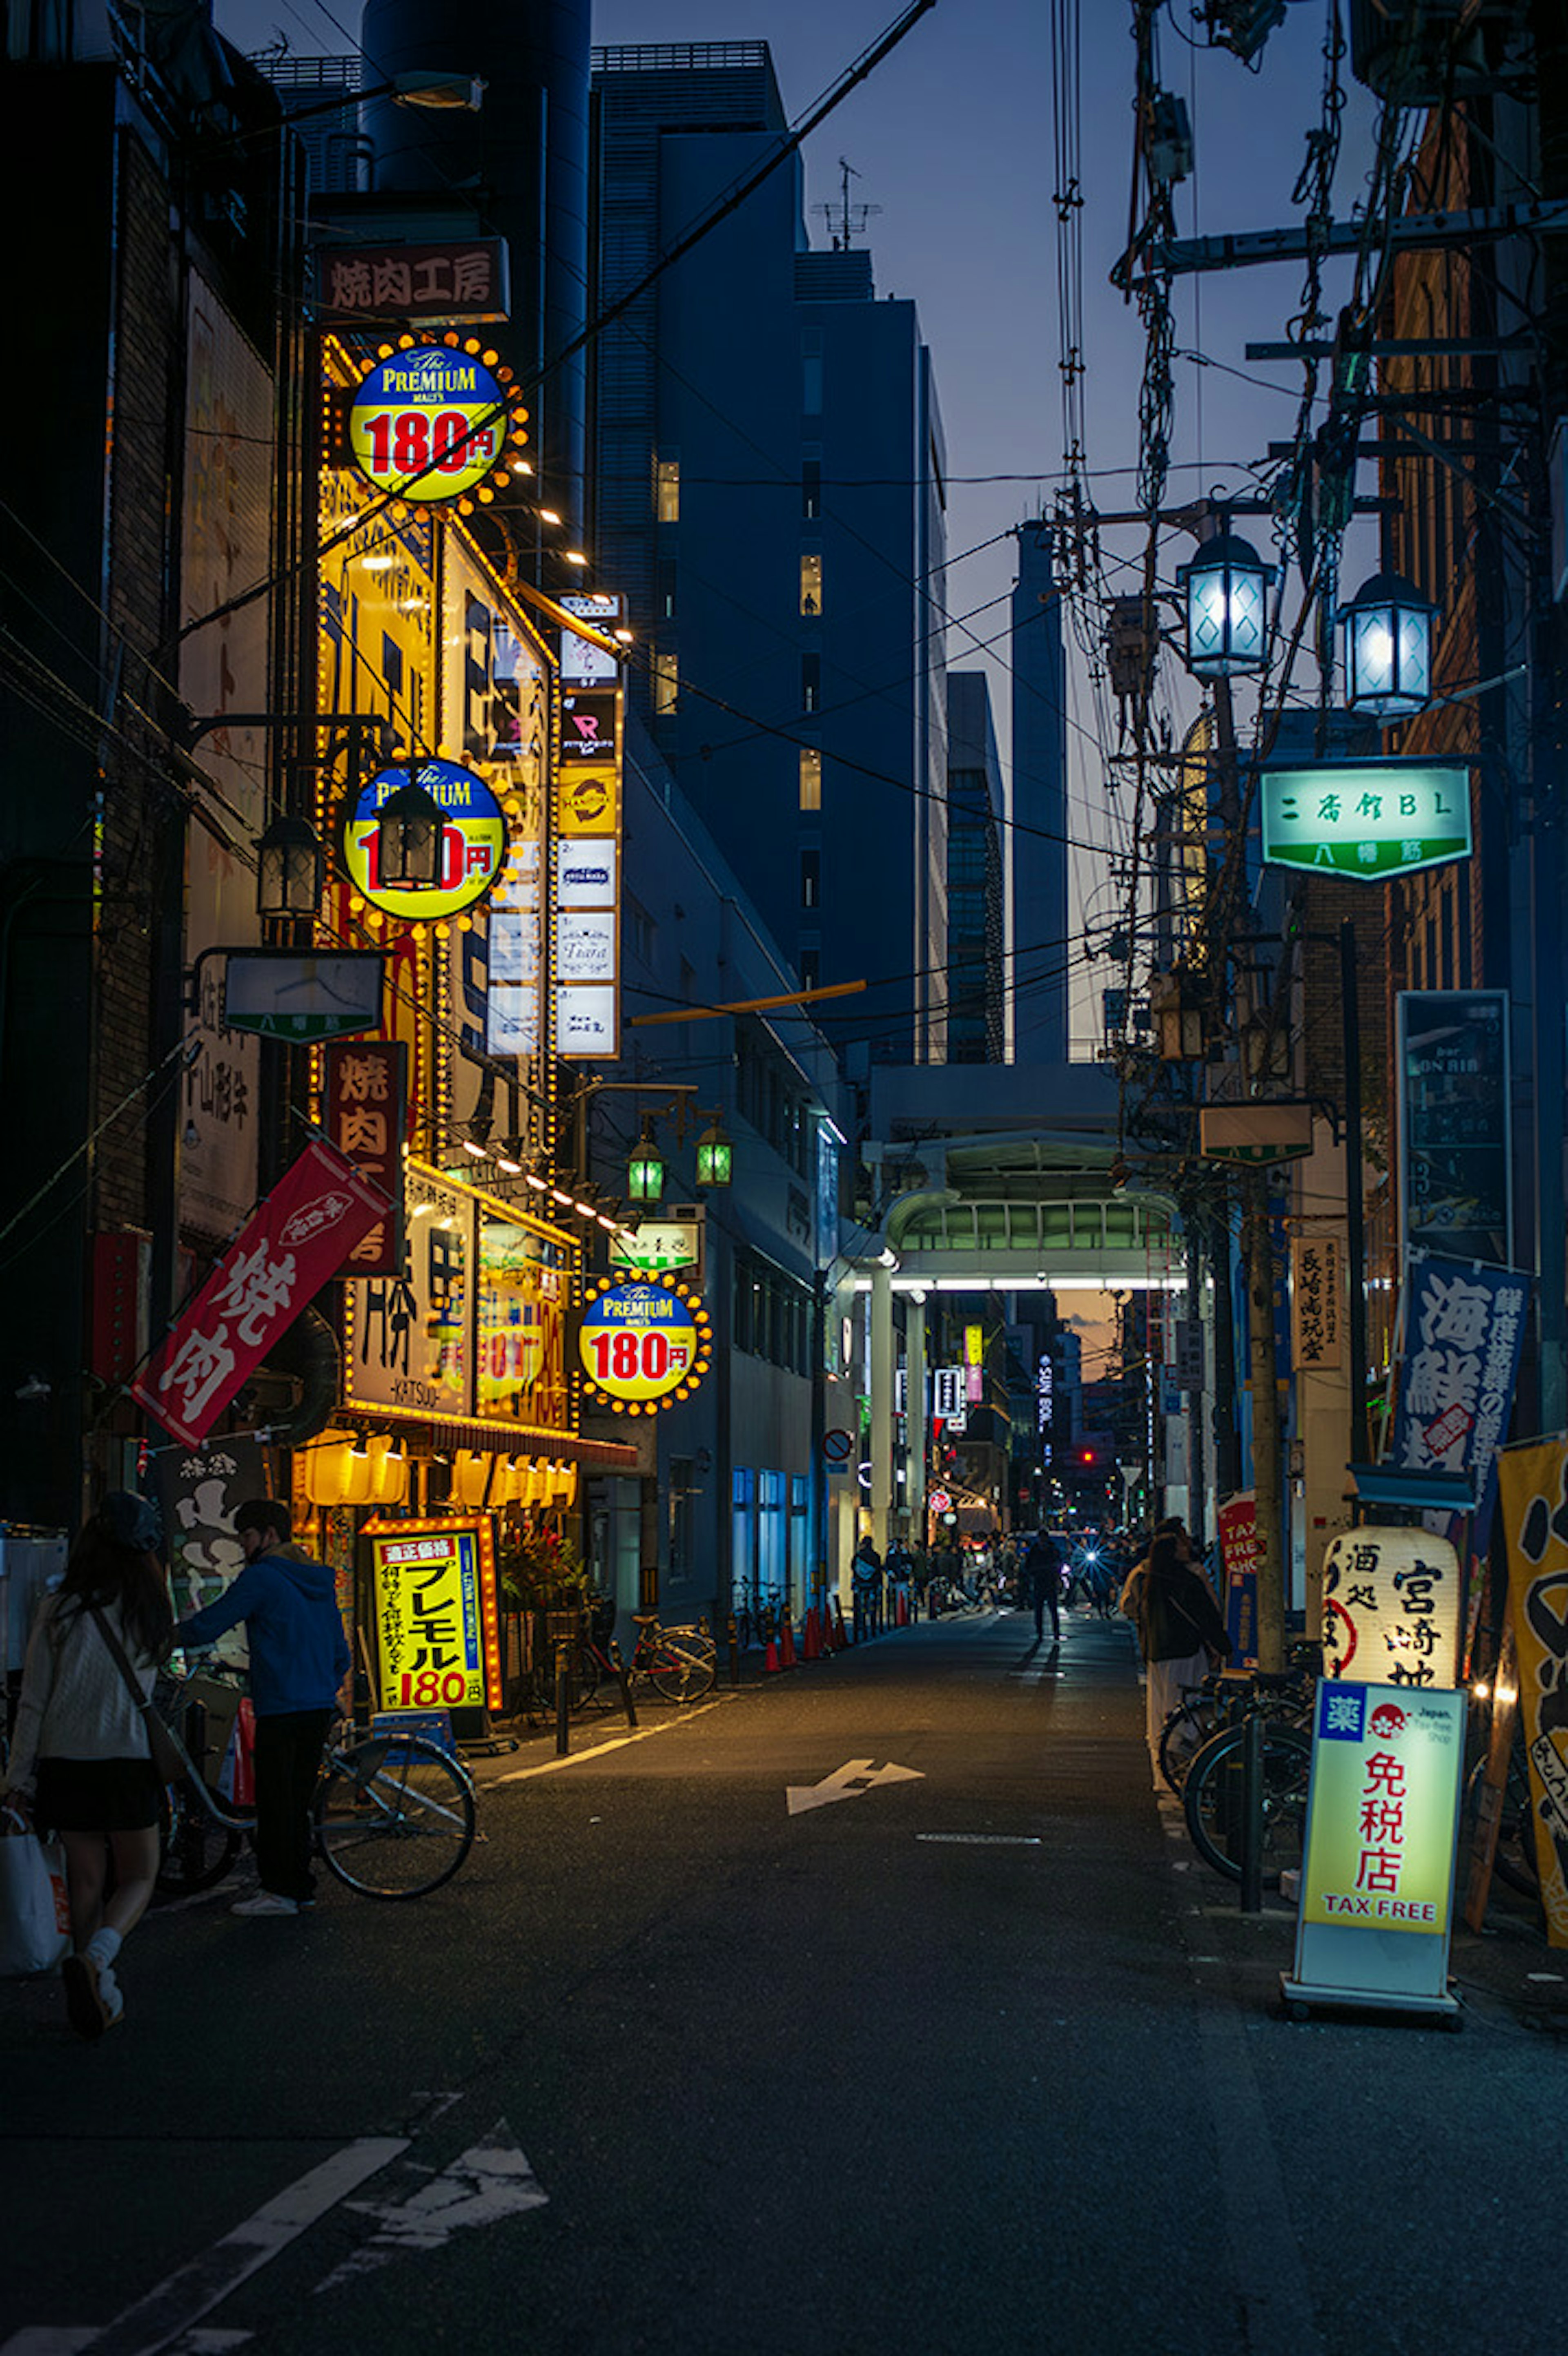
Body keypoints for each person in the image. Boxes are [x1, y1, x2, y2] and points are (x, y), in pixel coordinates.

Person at [0, 1491, 173, 2039]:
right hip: (126, 1758)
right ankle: (97, 1961)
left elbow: (34, 1700)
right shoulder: (151, 1606)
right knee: (141, 1874)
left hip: (63, 1762)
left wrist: (17, 1779)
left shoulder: (59, 1607)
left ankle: (93, 1989)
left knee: (86, 1879)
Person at [177, 1499, 349, 1917]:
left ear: (269, 1534)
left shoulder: (263, 1578)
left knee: (275, 1801)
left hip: (281, 1705)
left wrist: (163, 1636)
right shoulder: (317, 1579)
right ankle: (300, 1886)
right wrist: (326, 1684)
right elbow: (341, 1652)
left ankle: (280, 1890)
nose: (243, 1544)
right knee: (298, 1799)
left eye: (247, 1535)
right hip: (317, 1704)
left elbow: (211, 1622)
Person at [1125, 1528, 1231, 1791]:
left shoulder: (1145, 1579)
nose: (1187, 1549)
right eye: (1181, 1546)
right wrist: (1223, 1647)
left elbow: (1129, 1607)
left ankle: (1162, 1774)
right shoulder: (1186, 1580)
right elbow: (1207, 1616)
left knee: (1160, 1711)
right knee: (1185, 1709)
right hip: (1186, 1653)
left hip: (1156, 1654)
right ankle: (1183, 1766)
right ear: (1172, 1552)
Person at [1022, 1528, 1063, 1645]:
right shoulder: (1037, 1551)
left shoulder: (1050, 1550)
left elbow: (1059, 1563)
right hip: (1041, 1582)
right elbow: (1028, 1566)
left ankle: (1054, 1632)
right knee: (1041, 1610)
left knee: (1051, 1610)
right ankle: (1041, 1632)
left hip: (1048, 1582)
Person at [850, 1534, 884, 1643]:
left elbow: (853, 1568)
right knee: (873, 1606)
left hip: (861, 1584)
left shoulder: (858, 1556)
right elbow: (879, 1571)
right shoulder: (876, 1556)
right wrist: (879, 1584)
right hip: (872, 1585)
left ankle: (861, 1624)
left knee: (860, 1606)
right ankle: (873, 1626)